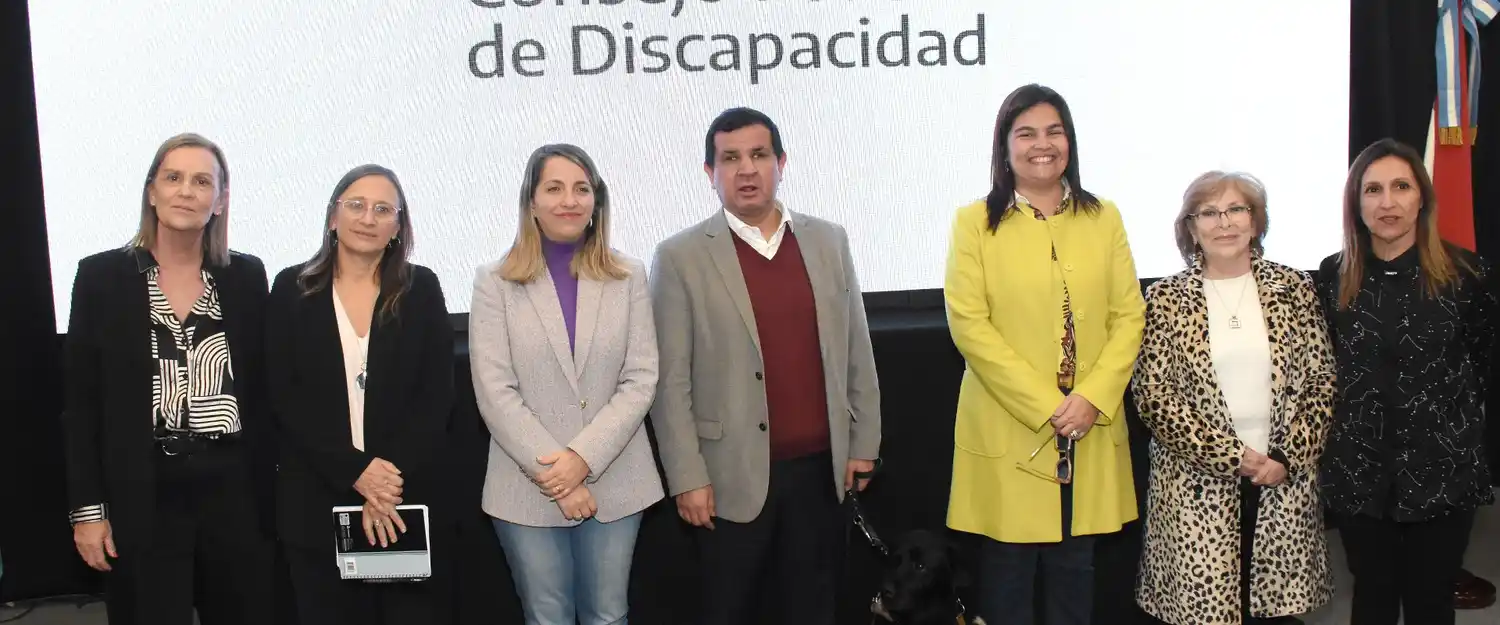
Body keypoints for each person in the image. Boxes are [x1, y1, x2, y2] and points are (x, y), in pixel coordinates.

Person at [649, 106, 882, 625]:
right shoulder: (679, 257)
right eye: (730, 158)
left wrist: (864, 443)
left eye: (758, 155)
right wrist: (686, 476)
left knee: (814, 610)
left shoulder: (828, 241)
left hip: (822, 474)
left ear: (781, 162)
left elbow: (856, 350)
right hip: (727, 480)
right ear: (710, 174)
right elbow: (671, 384)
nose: (746, 169)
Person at [942, 84, 1144, 625]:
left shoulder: (1105, 218)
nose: (1042, 145)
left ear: (1070, 141)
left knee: (1075, 575)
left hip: (1089, 426)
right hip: (1012, 426)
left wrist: (1091, 398)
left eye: (1054, 131)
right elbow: (969, 325)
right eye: (1026, 133)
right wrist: (1047, 404)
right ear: (1004, 147)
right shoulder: (973, 224)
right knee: (1007, 579)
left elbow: (1129, 317)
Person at [61, 132, 274, 625]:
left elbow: (264, 393)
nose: (186, 191)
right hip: (143, 491)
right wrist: (87, 510)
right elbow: (81, 406)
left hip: (233, 492)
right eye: (173, 178)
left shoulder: (245, 277)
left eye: (203, 181)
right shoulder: (101, 277)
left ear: (220, 200)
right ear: (151, 191)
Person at [469, 144, 663, 625]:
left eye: (581, 189)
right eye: (553, 188)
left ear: (597, 202)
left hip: (617, 481)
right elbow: (495, 390)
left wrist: (583, 460)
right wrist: (558, 475)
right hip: (525, 486)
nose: (569, 201)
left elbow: (640, 378)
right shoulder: (494, 281)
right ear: (531, 201)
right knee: (547, 618)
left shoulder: (629, 275)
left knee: (608, 617)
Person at [1132, 171, 1335, 625]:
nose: (1223, 222)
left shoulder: (1296, 288)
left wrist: (1285, 456)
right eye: (1208, 212)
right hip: (1195, 487)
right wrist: (1232, 456)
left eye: (1236, 209)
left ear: (1256, 222)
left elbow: (1322, 380)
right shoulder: (1165, 297)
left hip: (1281, 477)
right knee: (1206, 614)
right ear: (1190, 227)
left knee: (1274, 614)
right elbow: (1153, 395)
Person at [1316, 138, 1495, 625]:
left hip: (1443, 474)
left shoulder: (1466, 275)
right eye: (1372, 189)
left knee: (1430, 602)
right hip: (1360, 476)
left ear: (1422, 198)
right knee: (1372, 599)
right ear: (1356, 202)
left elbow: (1481, 365)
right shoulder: (1332, 276)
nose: (1387, 202)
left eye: (1401, 187)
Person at [266, 164, 455, 624]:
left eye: (382, 209)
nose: (367, 218)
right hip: (316, 499)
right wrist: (356, 472)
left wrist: (384, 484)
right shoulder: (292, 288)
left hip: (401, 501)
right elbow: (283, 397)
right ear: (333, 217)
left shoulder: (421, 287)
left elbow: (436, 396)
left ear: (397, 227)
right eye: (356, 205)